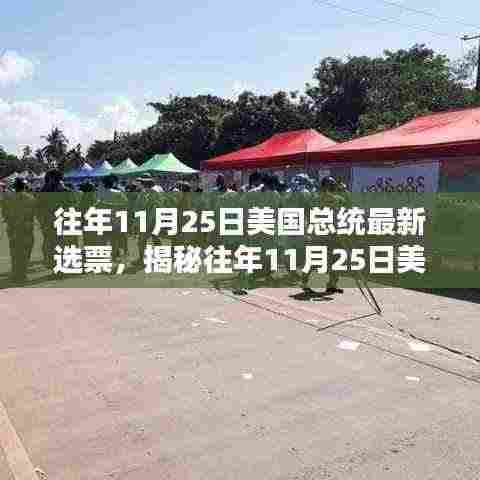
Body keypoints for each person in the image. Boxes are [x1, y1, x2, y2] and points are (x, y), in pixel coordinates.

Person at [1, 178, 36, 283]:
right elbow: (33, 213)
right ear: (24, 186)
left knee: (15, 252)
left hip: (13, 228)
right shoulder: (31, 198)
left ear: (14, 187)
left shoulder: (8, 198)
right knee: (26, 252)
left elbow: (4, 213)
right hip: (26, 228)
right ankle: (22, 274)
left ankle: (16, 273)